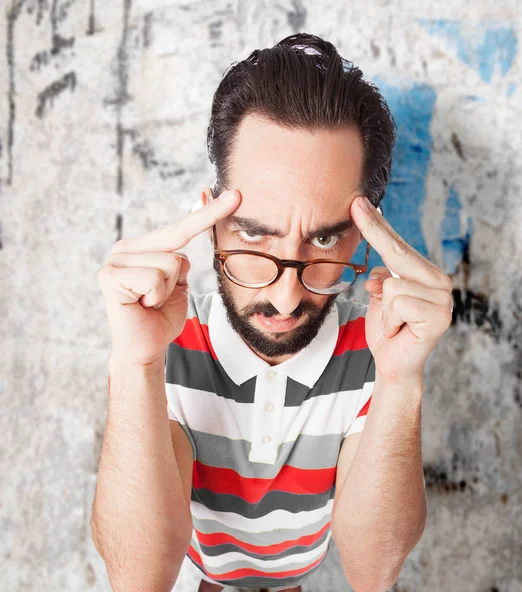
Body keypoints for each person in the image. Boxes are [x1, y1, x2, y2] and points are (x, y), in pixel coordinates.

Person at [92, 33, 453, 592]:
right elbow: (138, 577)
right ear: (210, 218)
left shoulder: (378, 345)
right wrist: (133, 365)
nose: (285, 300)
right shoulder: (166, 341)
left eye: (326, 239)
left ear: (364, 236)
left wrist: (403, 378)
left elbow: (372, 571)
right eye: (254, 235)